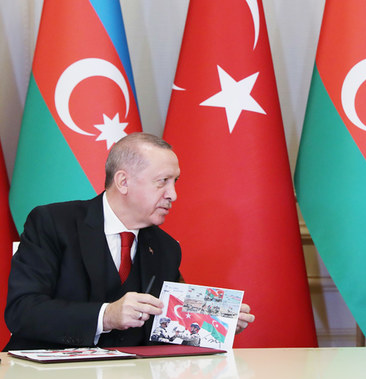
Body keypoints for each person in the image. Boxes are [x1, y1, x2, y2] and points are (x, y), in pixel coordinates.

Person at [4, 133, 255, 350]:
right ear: (123, 182)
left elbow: (164, 324)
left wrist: (214, 326)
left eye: (174, 182)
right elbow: (22, 311)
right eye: (162, 182)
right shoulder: (52, 223)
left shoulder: (166, 248)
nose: (173, 195)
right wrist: (106, 316)